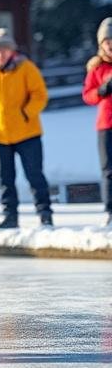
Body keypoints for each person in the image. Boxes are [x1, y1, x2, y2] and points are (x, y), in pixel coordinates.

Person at [0, 28, 51, 229]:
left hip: (27, 132)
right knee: (5, 179)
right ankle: (10, 215)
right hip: (0, 135)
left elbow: (40, 95)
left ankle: (44, 212)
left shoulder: (26, 68)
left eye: (4, 50)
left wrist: (26, 113)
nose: (0, 55)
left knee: (34, 175)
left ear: (12, 51)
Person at [83, 17, 112, 226]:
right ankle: (111, 211)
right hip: (106, 124)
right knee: (108, 169)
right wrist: (102, 90)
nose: (110, 45)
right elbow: (87, 95)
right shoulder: (97, 68)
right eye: (106, 41)